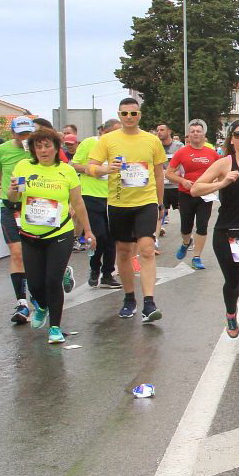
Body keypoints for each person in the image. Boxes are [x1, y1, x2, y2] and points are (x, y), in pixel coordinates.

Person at [191, 120, 239, 356]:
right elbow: (195, 189)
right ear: (232, 138)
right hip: (227, 234)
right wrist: (222, 183)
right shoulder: (223, 164)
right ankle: (231, 313)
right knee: (233, 284)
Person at [8, 128, 95, 342]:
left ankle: (55, 328)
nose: (43, 150)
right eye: (39, 146)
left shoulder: (66, 171)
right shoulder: (23, 167)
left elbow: (77, 202)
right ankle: (42, 305)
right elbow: (13, 197)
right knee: (36, 284)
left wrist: (88, 230)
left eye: (48, 146)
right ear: (33, 150)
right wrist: (12, 189)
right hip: (31, 235)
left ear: (56, 148)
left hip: (60, 233)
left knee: (52, 281)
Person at [87, 97, 167, 322]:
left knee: (147, 248)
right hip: (119, 203)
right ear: (119, 115)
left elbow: (159, 173)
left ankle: (149, 302)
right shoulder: (108, 140)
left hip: (146, 202)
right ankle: (129, 298)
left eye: (133, 113)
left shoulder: (151, 140)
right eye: (125, 114)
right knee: (123, 251)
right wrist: (105, 169)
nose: (129, 118)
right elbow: (91, 167)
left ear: (139, 115)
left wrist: (160, 204)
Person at [71, 118, 121, 288]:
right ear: (103, 132)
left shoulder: (121, 147)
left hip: (114, 196)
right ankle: (94, 269)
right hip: (91, 195)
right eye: (113, 132)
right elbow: (74, 165)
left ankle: (107, 274)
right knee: (98, 236)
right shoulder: (88, 143)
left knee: (111, 238)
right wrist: (93, 170)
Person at [166, 119, 220, 270]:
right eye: (193, 131)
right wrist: (182, 181)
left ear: (204, 134)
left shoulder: (212, 153)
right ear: (189, 135)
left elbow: (222, 171)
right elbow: (169, 174)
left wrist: (215, 181)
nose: (196, 134)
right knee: (186, 227)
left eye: (198, 131)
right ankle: (185, 242)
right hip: (186, 194)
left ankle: (197, 257)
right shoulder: (182, 152)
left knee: (202, 225)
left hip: (205, 195)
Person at [0, 117, 34, 323]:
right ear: (13, 134)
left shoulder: (39, 149)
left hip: (36, 207)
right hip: (9, 207)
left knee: (38, 252)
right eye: (21, 134)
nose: (24, 138)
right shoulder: (1, 150)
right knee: (17, 253)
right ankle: (22, 303)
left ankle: (60, 273)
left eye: (28, 133)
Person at [156, 124, 182, 239]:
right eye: (158, 130)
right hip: (162, 185)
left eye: (162, 130)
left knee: (184, 212)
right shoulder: (156, 146)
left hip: (176, 185)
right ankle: (156, 240)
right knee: (159, 213)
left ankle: (186, 236)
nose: (159, 132)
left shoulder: (179, 146)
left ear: (169, 131)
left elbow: (182, 164)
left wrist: (171, 175)